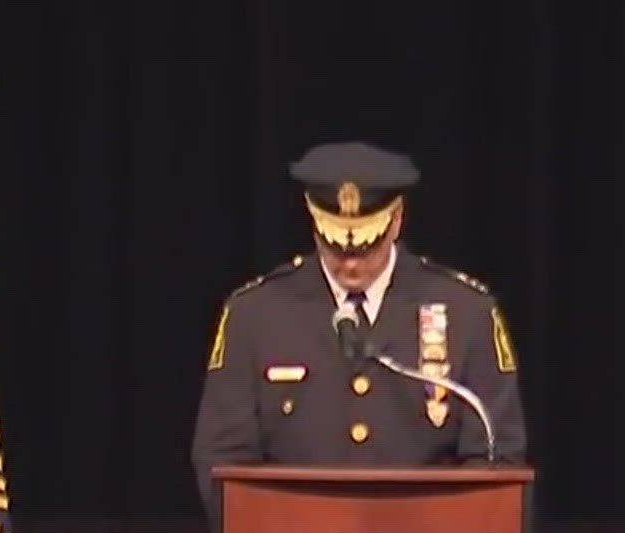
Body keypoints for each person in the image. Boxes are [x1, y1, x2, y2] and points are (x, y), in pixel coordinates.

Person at [189, 141, 528, 506]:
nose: (350, 264)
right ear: (313, 220)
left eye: (367, 245)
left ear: (396, 221)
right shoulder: (254, 315)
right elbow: (222, 460)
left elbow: (497, 454)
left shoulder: (467, 312)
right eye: (334, 245)